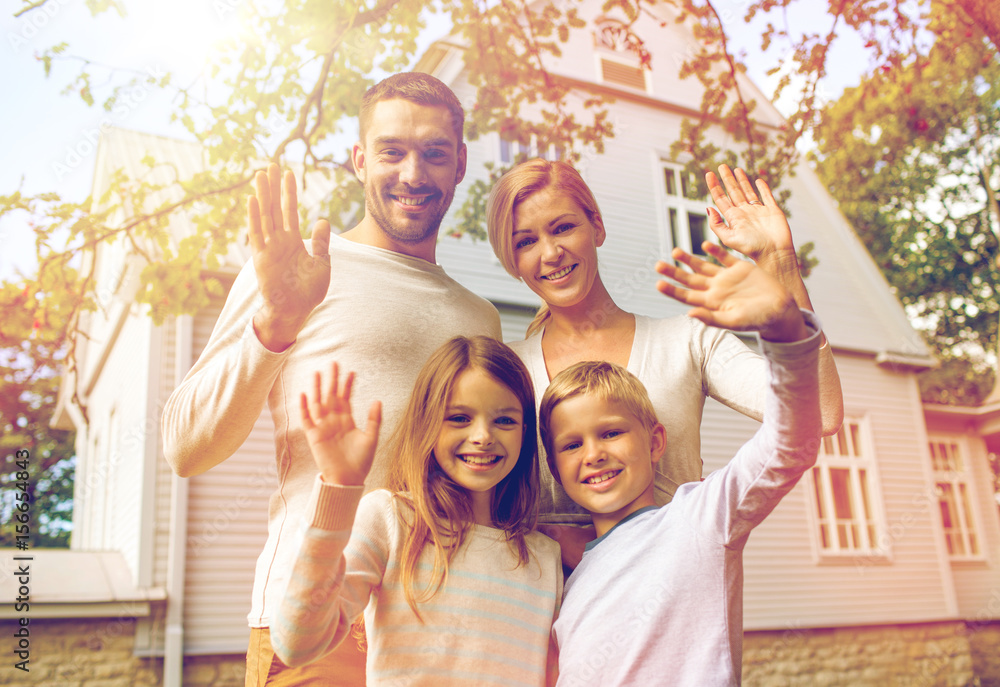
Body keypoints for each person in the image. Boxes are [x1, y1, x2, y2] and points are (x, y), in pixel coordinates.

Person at [160, 73, 502, 685]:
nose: (413, 174)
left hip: (445, 626)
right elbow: (186, 448)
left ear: (459, 166)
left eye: (434, 153)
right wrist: (274, 323)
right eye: (392, 151)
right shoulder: (298, 274)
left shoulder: (480, 317)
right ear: (359, 159)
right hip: (316, 623)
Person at [486, 159, 842, 552]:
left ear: (597, 227)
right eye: (526, 241)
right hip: (550, 608)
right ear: (512, 261)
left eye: (563, 228)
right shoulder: (505, 372)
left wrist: (780, 261)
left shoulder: (687, 342)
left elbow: (821, 412)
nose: (550, 253)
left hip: (672, 599)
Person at [540, 243, 823, 685]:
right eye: (572, 445)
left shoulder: (700, 518)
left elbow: (791, 444)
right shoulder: (568, 586)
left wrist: (786, 332)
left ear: (655, 442)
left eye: (611, 433)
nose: (593, 453)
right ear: (556, 471)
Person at [271, 336, 562, 685]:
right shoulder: (390, 520)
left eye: (505, 421)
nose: (483, 435)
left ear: (525, 433)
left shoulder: (545, 557)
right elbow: (295, 644)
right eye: (459, 417)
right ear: (427, 424)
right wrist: (337, 489)